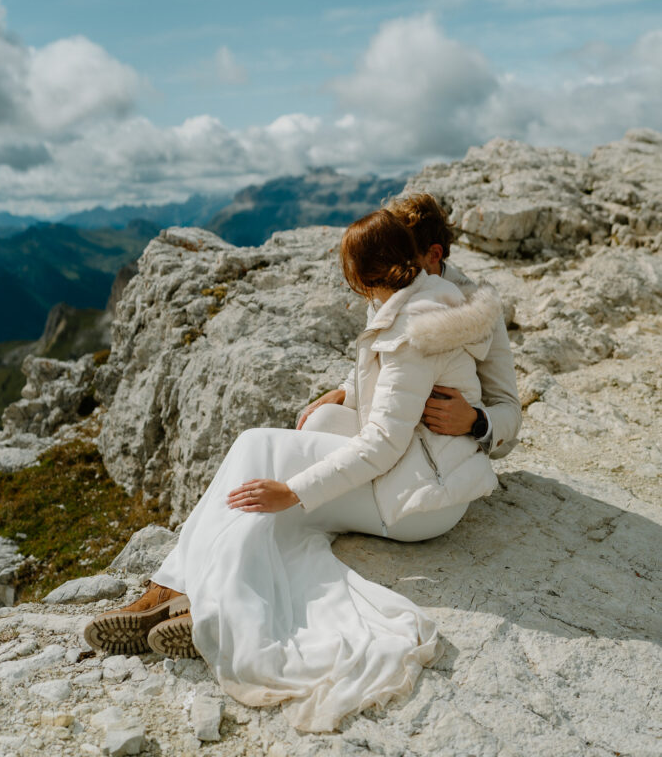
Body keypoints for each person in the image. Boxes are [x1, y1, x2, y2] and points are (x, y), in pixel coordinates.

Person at [84, 209, 504, 732]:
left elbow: (381, 445)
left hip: (419, 495)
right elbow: (397, 396)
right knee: (278, 463)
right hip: (418, 467)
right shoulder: (421, 303)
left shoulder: (415, 328)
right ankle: (188, 592)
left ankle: (197, 599)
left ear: (373, 270)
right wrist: (347, 392)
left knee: (266, 469)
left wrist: (293, 490)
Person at [299, 193, 522, 458]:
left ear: (434, 254)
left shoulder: (478, 307)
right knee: (317, 422)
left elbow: (509, 410)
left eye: (402, 256)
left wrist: (476, 420)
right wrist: (345, 392)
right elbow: (377, 360)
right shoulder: (391, 286)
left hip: (443, 447)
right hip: (391, 418)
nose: (390, 269)